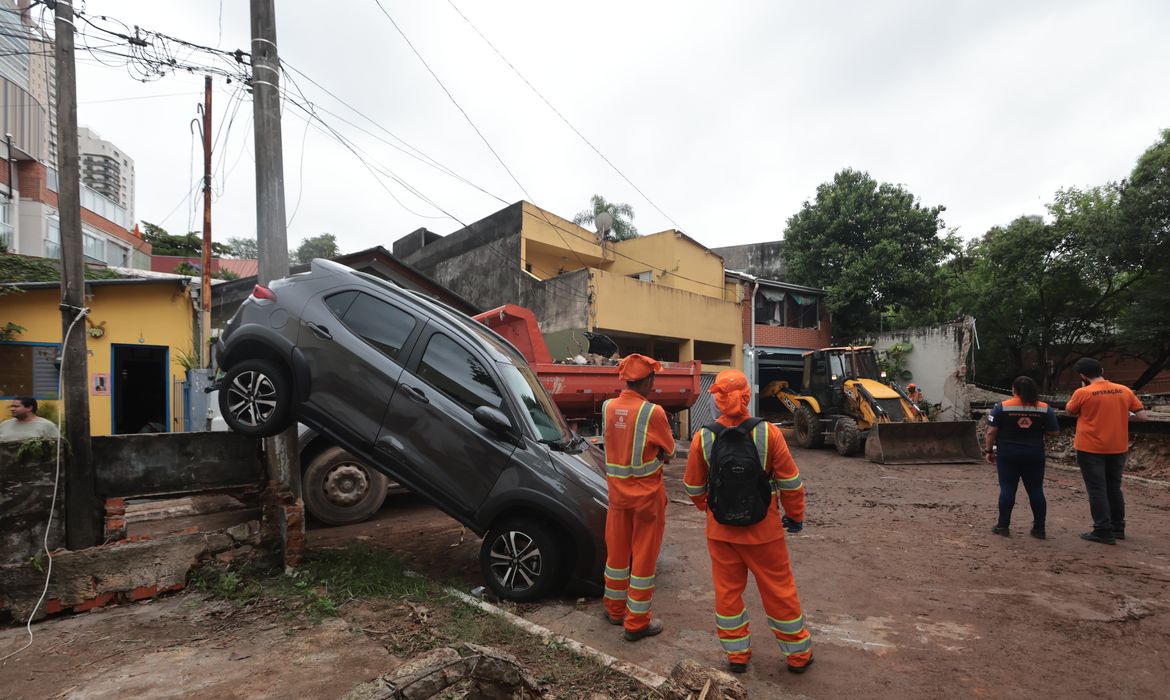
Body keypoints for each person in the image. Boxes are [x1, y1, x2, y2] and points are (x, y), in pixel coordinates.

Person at [683, 369, 813, 675]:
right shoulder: (769, 433)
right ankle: (797, 656)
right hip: (764, 531)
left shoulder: (703, 437)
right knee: (779, 591)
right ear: (747, 397)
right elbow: (791, 483)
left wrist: (712, 510)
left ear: (716, 400)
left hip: (721, 533)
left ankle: (737, 655)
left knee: (728, 593)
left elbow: (692, 487)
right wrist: (794, 517)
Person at [601, 353, 676, 641]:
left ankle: (615, 610)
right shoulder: (652, 412)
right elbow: (669, 451)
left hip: (617, 496)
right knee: (643, 559)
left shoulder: (608, 408)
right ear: (647, 381)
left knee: (617, 555)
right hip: (646, 497)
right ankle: (636, 623)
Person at [1065, 357, 1148, 545]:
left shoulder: (1082, 392)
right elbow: (1142, 416)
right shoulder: (1124, 390)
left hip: (1090, 447)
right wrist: (1123, 414)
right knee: (1113, 487)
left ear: (1083, 376)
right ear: (1102, 370)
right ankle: (1118, 527)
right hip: (1118, 447)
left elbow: (1070, 411)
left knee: (1097, 489)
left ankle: (1102, 529)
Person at [983, 376, 1060, 539]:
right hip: (1034, 454)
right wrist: (1037, 430)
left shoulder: (1001, 407)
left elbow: (991, 432)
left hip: (1008, 455)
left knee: (1008, 488)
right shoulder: (1045, 408)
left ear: (1014, 390)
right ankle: (1039, 529)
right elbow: (1054, 432)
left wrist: (988, 451)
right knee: (1036, 490)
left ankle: (1003, 526)